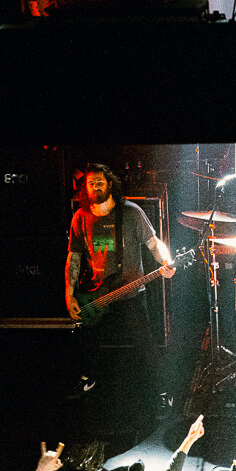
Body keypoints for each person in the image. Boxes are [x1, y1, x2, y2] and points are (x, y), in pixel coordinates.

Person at [65, 164, 174, 401]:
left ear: (110, 184)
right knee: (88, 343)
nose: (95, 187)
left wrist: (166, 262)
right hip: (95, 293)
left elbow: (154, 243)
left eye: (100, 183)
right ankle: (88, 381)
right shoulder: (80, 217)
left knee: (145, 344)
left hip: (130, 293)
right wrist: (69, 292)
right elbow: (74, 256)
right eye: (91, 184)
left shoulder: (131, 213)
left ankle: (164, 391)